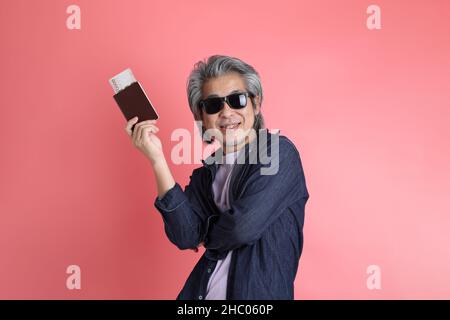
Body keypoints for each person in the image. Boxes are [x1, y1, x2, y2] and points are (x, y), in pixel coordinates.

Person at [124, 55, 309, 300]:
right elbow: (186, 236)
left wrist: (205, 232)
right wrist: (157, 160)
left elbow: (242, 228)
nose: (226, 112)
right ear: (200, 116)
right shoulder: (207, 174)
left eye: (237, 100)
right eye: (213, 105)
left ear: (255, 103)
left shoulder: (278, 155)